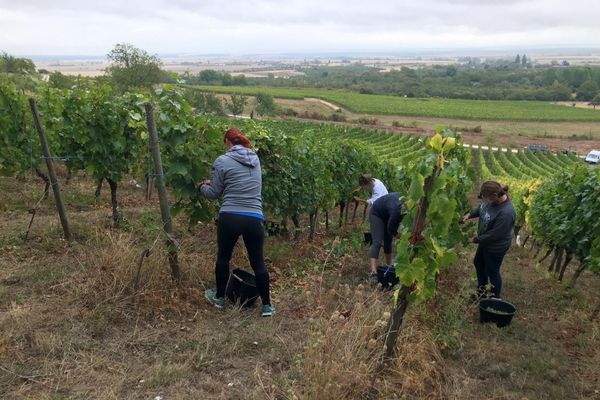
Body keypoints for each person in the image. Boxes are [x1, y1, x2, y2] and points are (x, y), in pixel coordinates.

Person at [198, 128, 274, 317]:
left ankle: (219, 298)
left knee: (224, 257)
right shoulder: (256, 160)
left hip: (230, 215)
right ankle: (267, 307)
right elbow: (241, 182)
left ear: (227, 142)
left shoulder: (222, 161)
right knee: (258, 263)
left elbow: (215, 193)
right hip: (254, 217)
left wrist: (201, 187)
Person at [462, 180, 516, 299]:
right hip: (485, 243)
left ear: (494, 196)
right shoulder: (491, 201)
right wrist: (469, 215)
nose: (484, 200)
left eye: (485, 197)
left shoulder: (507, 212)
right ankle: (481, 293)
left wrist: (474, 240)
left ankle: (495, 299)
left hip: (495, 247)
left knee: (492, 271)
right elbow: (482, 209)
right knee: (479, 263)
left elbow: (495, 235)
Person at [367, 192, 405, 285]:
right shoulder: (397, 210)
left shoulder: (408, 208)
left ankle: (389, 266)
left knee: (388, 241)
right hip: (377, 213)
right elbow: (391, 229)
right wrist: (401, 237)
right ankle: (373, 273)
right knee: (377, 242)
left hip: (388, 213)